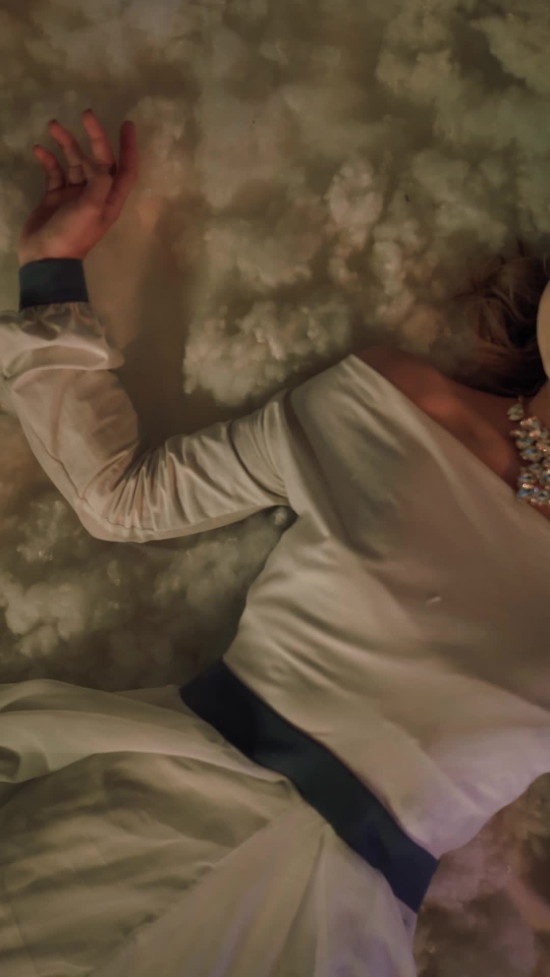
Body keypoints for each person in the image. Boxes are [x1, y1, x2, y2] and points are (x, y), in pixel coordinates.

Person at [1, 111, 550, 977]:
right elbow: (124, 497)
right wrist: (50, 271)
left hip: (332, 933)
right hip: (142, 818)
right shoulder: (394, 406)